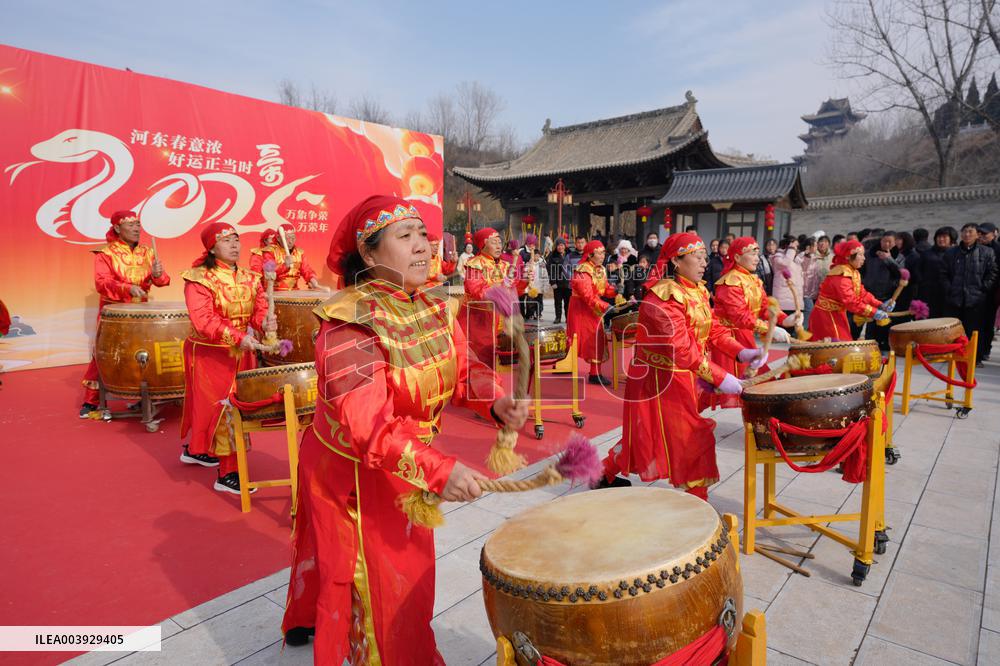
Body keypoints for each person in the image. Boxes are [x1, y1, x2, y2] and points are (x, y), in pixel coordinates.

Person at [281, 195, 528, 663]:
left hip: (406, 461)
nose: (422, 246)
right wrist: (438, 470)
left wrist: (496, 400)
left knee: (407, 575)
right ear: (368, 253)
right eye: (405, 236)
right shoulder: (348, 323)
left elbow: (462, 369)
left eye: (423, 235)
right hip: (355, 474)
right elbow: (367, 423)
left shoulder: (433, 305)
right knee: (378, 589)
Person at [597, 233, 760, 499]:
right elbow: (681, 349)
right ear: (676, 261)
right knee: (691, 437)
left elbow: (713, 329)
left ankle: (603, 471)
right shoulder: (662, 298)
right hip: (658, 380)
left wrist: (741, 351)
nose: (704, 263)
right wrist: (721, 377)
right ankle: (699, 501)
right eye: (698, 257)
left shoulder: (697, 289)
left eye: (705, 257)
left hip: (684, 376)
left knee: (646, 436)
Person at [179, 222, 274, 493]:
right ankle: (228, 473)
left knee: (233, 406)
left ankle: (198, 449)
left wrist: (264, 322)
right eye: (226, 241)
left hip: (241, 352)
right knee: (221, 408)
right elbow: (204, 321)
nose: (234, 245)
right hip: (211, 353)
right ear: (211, 248)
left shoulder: (250, 278)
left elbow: (258, 310)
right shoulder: (199, 279)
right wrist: (238, 337)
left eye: (236, 239)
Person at [80, 211, 170, 417]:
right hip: (114, 311)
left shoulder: (147, 252)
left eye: (138, 224)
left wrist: (158, 274)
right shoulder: (106, 253)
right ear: (117, 228)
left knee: (143, 354)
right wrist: (127, 288)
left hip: (141, 311)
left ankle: (144, 397)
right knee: (104, 354)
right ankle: (91, 400)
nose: (136, 228)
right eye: (131, 225)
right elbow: (102, 282)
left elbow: (163, 281)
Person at [712, 237, 797, 395]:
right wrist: (769, 329)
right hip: (729, 339)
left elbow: (765, 306)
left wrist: (783, 319)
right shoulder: (730, 282)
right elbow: (740, 316)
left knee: (757, 385)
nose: (757, 258)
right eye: (752, 254)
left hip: (745, 335)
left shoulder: (754, 279)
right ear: (737, 257)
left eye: (757, 254)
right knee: (742, 386)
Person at [459, 228, 528, 366]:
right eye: (494, 242)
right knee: (481, 359)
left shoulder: (504, 265)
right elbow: (477, 291)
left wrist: (525, 280)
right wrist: (499, 289)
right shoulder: (475, 264)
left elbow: (514, 290)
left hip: (501, 320)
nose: (498, 246)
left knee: (500, 361)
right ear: (483, 245)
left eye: (499, 242)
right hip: (479, 321)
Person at [809, 240, 887, 341]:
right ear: (849, 256)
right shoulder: (841, 276)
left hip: (837, 314)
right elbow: (851, 302)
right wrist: (873, 312)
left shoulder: (852, 272)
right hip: (826, 316)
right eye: (860, 255)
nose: (864, 258)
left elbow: (861, 293)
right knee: (836, 345)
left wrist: (879, 304)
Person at [943, 223, 998, 364]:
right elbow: (943, 273)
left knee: (975, 330)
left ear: (977, 234)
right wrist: (949, 289)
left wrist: (983, 288)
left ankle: (975, 358)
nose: (967, 234)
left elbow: (992, 273)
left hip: (976, 299)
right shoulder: (951, 252)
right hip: (955, 298)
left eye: (970, 232)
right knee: (954, 330)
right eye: (964, 231)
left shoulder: (987, 252)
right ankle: (953, 355)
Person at [568, 240, 618, 385]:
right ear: (590, 255)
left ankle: (595, 373)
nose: (603, 256)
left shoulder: (600, 269)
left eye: (603, 253)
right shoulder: (582, 271)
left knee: (596, 339)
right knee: (584, 339)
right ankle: (564, 363)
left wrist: (615, 291)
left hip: (593, 308)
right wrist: (605, 307)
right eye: (599, 253)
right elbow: (587, 295)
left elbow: (604, 289)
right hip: (582, 309)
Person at [860, 231, 901, 350]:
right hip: (870, 295)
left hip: (888, 296)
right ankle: (869, 348)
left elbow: (901, 273)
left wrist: (889, 259)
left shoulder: (898, 255)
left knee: (885, 323)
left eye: (889, 242)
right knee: (871, 324)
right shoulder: (869, 254)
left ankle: (885, 348)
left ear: (895, 243)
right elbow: (861, 270)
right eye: (884, 241)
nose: (886, 244)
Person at [249, 223, 320, 291]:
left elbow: (306, 270)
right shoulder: (270, 252)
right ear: (278, 238)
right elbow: (269, 273)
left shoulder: (299, 253)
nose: (290, 241)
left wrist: (312, 279)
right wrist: (285, 266)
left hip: (294, 291)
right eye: (287, 238)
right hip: (275, 291)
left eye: (293, 238)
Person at [918, 226, 957, 318]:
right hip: (929, 292)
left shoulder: (957, 253)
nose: (941, 239)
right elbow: (918, 271)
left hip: (949, 292)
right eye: (939, 237)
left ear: (951, 239)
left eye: (944, 237)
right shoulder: (927, 253)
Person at [978, 222, 1000, 361]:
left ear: (994, 234)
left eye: (985, 234)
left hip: (991, 292)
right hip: (974, 291)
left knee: (987, 322)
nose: (981, 236)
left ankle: (985, 349)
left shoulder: (998, 250)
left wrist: (987, 286)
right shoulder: (973, 247)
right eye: (979, 233)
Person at [771, 235, 803, 318]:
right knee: (783, 323)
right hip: (783, 299)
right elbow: (785, 263)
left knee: (795, 323)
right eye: (795, 245)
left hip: (795, 299)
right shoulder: (778, 257)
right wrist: (791, 249)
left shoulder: (795, 258)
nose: (796, 248)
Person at [518, 234, 544, 320]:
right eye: (530, 243)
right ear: (527, 242)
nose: (532, 245)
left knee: (531, 298)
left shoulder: (536, 251)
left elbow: (542, 262)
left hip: (533, 279)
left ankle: (530, 314)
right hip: (523, 277)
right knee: (522, 297)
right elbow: (519, 263)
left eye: (533, 243)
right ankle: (521, 315)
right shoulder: (521, 251)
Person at [547, 237, 571, 323]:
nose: (560, 247)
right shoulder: (552, 256)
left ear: (565, 245)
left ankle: (568, 318)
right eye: (558, 245)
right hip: (557, 283)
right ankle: (558, 317)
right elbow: (550, 270)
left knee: (568, 302)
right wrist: (552, 282)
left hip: (568, 283)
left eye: (562, 245)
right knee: (558, 302)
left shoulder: (570, 254)